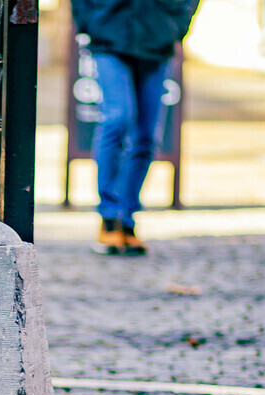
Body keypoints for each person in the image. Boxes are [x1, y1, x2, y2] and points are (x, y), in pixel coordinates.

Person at [71, 0, 200, 255]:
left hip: (157, 39)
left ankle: (128, 220)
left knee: (146, 137)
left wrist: (176, 25)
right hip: (109, 36)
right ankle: (109, 217)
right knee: (117, 118)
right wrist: (90, 21)